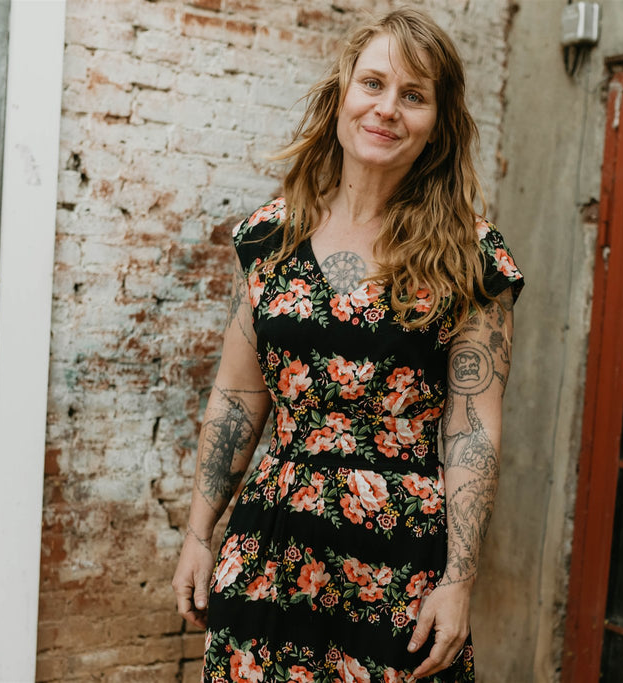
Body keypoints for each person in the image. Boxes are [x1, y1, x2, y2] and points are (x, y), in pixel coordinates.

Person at [172, 7, 524, 682]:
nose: (388, 109)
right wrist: (197, 533)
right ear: (342, 95)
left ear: (437, 123)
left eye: (413, 95)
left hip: (400, 574)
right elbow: (239, 397)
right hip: (269, 555)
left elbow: (473, 427)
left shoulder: (472, 257)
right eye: (373, 84)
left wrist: (460, 579)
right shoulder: (271, 237)